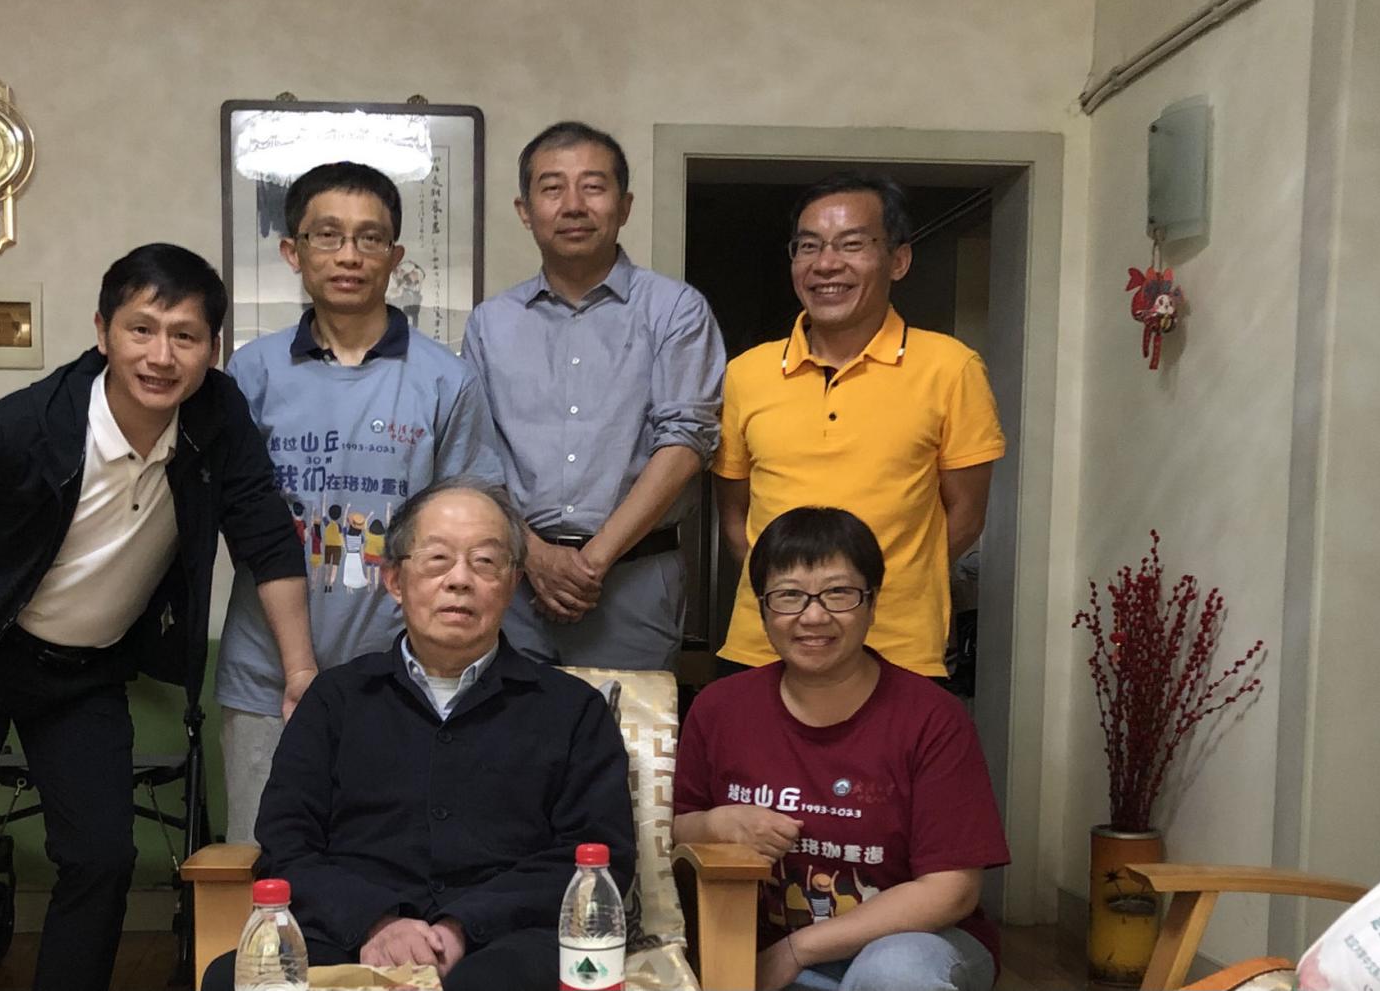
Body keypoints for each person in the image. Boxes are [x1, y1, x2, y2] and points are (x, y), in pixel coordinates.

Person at [0, 243, 312, 991]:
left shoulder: (216, 416)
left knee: (103, 857)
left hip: (84, 672)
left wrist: (301, 668)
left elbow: (266, 538)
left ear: (213, 349)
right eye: (141, 329)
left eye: (184, 335)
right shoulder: (24, 425)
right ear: (102, 332)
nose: (161, 355)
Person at [199, 476, 636, 991]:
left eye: (485, 561)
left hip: (509, 940)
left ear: (512, 583)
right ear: (394, 580)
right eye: (437, 559)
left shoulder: (572, 710)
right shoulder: (334, 701)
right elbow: (287, 845)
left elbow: (597, 856)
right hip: (350, 932)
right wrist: (377, 923)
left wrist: (463, 926)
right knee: (232, 978)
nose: (460, 580)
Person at [216, 161, 501, 843]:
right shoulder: (250, 374)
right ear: (293, 252)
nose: (349, 255)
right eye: (328, 235)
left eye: (370, 238)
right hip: (264, 677)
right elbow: (234, 517)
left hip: (403, 679)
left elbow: (468, 529)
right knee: (264, 866)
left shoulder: (445, 380)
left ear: (394, 258)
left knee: (392, 867)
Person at [673, 507, 1010, 991]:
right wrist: (716, 824)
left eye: (838, 593)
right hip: (752, 948)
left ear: (872, 603)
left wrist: (797, 950)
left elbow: (951, 890)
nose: (814, 616)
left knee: (894, 974)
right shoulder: (719, 707)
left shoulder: (932, 717)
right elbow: (664, 835)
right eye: (789, 595)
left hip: (914, 943)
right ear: (762, 608)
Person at [714, 173, 1004, 679]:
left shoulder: (951, 368)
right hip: (763, 648)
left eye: (852, 244)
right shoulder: (746, 373)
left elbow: (966, 515)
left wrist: (881, 589)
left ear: (898, 260)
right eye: (809, 246)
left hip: (898, 650)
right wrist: (790, 597)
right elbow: (735, 516)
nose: (826, 264)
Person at [462, 120, 725, 671]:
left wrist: (591, 562)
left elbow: (686, 443)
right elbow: (477, 457)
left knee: (626, 726)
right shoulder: (491, 323)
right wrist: (534, 555)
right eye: (552, 188)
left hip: (635, 578)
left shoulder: (675, 310)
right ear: (525, 210)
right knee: (505, 722)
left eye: (594, 186)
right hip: (513, 579)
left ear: (624, 206)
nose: (574, 205)